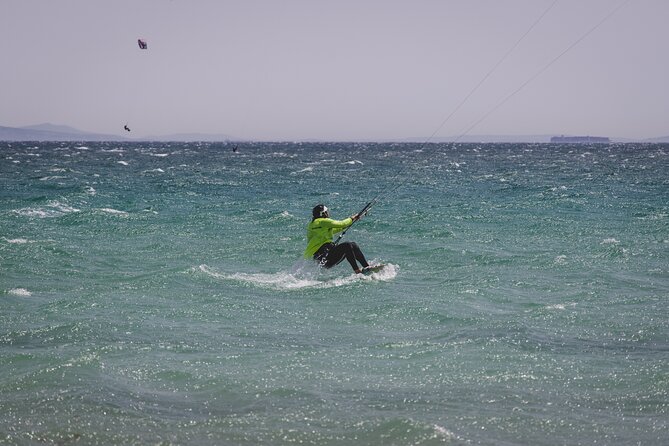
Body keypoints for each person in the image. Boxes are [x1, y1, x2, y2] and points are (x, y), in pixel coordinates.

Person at [304, 204, 372, 274]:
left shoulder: (315, 224)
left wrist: (352, 220)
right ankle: (357, 271)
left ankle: (367, 267)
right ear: (323, 213)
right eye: (327, 211)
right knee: (347, 245)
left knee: (353, 245)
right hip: (323, 259)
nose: (328, 213)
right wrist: (352, 218)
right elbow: (342, 224)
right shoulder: (322, 221)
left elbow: (338, 228)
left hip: (325, 257)